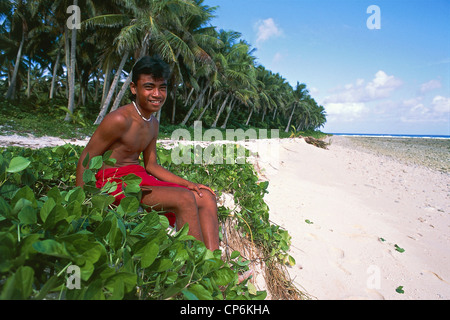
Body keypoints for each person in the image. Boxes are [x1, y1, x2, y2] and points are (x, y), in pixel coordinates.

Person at [76, 56, 219, 251]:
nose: (157, 94)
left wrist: (189, 184)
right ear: (134, 88)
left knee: (206, 197)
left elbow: (151, 165)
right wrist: (81, 202)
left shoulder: (153, 123)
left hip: (138, 178)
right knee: (184, 198)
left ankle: (215, 267)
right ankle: (196, 269)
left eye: (162, 88)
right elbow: (86, 157)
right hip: (114, 182)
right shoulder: (119, 119)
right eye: (149, 87)